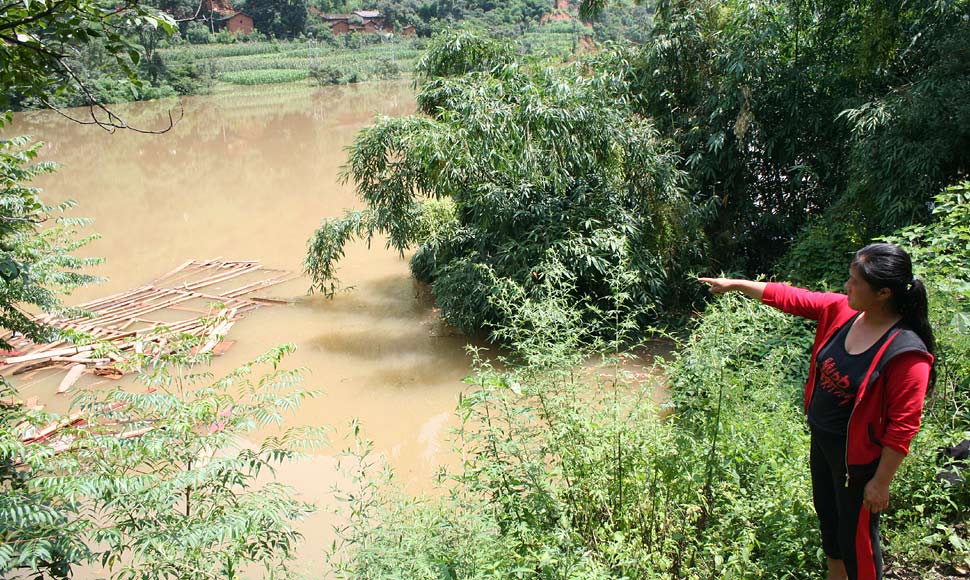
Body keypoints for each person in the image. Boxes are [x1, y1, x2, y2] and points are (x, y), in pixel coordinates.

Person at [699, 243, 935, 580]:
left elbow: (903, 427)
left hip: (858, 462)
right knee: (830, 522)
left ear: (883, 292)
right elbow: (789, 297)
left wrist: (880, 482)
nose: (846, 287)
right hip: (823, 444)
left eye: (855, 282)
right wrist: (734, 284)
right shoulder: (844, 311)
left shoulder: (906, 352)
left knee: (859, 542)